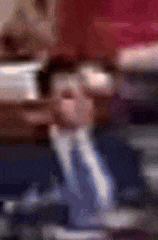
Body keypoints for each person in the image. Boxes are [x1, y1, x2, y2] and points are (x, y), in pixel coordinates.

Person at [21, 55, 149, 227]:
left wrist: (131, 217)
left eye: (86, 94)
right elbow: (22, 213)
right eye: (69, 96)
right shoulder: (29, 156)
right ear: (47, 104)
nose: (82, 103)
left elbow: (142, 200)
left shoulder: (117, 147)